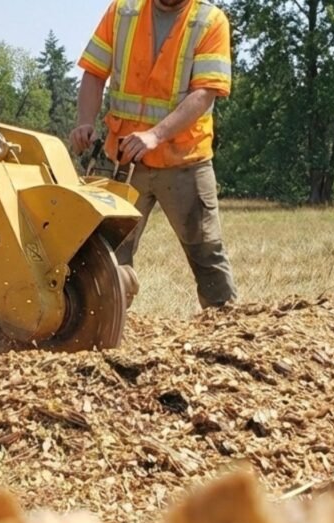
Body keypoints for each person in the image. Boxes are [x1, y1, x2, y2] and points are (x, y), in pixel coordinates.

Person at [70, 0, 238, 309]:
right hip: (124, 161)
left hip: (185, 161)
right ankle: (99, 332)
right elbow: (94, 73)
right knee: (104, 254)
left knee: (207, 254)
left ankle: (230, 336)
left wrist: (155, 135)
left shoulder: (211, 21)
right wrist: (84, 122)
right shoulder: (122, 11)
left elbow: (204, 94)